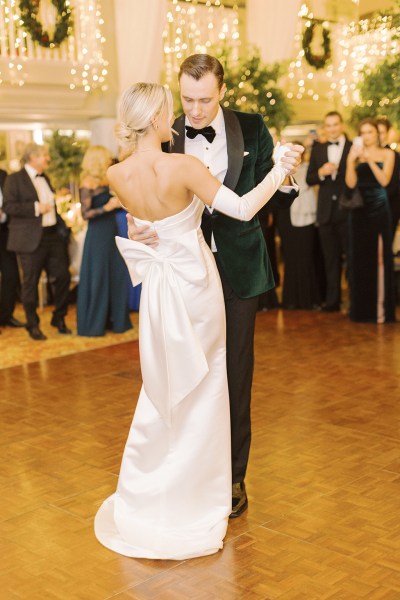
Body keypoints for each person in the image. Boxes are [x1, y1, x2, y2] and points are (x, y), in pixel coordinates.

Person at [94, 82, 302, 560]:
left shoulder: (117, 174)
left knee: (164, 382)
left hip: (159, 291)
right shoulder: (184, 165)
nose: (179, 116)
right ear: (156, 117)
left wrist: (141, 230)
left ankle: (154, 487)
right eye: (172, 109)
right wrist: (279, 170)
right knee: (207, 384)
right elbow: (244, 207)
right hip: (194, 284)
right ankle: (198, 492)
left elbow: (140, 225)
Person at [3, 143, 71, 340]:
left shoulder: (46, 178)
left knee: (62, 276)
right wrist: (35, 208)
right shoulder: (14, 179)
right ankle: (32, 324)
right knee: (30, 284)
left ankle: (59, 317)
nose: (48, 159)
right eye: (44, 155)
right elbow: (8, 206)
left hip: (52, 236)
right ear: (32, 157)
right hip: (28, 239)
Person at [77, 145, 133, 336]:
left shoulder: (107, 180)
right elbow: (85, 214)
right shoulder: (87, 182)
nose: (110, 160)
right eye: (107, 158)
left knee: (115, 274)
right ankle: (95, 323)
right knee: (99, 275)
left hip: (112, 231)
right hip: (97, 235)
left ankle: (115, 320)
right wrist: (108, 207)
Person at [345, 118, 395, 323]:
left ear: (377, 134)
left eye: (370, 132)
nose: (367, 136)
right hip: (359, 210)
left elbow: (385, 180)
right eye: (363, 132)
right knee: (359, 258)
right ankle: (362, 311)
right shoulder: (355, 155)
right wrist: (351, 161)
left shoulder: (388, 153)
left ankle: (381, 310)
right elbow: (350, 184)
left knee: (381, 258)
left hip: (379, 209)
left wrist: (370, 159)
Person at [306, 111, 352, 312]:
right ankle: (333, 301)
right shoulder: (318, 150)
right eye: (329, 125)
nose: (332, 128)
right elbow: (309, 179)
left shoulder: (353, 148)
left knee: (352, 258)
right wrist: (321, 173)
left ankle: (355, 302)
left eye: (335, 124)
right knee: (330, 259)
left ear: (341, 125)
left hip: (348, 210)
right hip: (325, 213)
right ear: (325, 128)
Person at [277, 144, 320, 310]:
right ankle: (290, 299)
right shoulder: (278, 170)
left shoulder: (309, 169)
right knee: (291, 258)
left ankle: (308, 299)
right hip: (286, 218)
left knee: (306, 258)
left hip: (306, 218)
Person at [0, 168, 26, 331]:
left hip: (3, 233)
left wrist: (4, 213)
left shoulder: (3, 174)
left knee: (11, 275)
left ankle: (5, 315)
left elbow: (10, 201)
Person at [376, 117, 400, 240]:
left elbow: (393, 185)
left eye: (382, 132)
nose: (379, 136)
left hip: (389, 208)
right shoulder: (367, 154)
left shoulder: (394, 155)